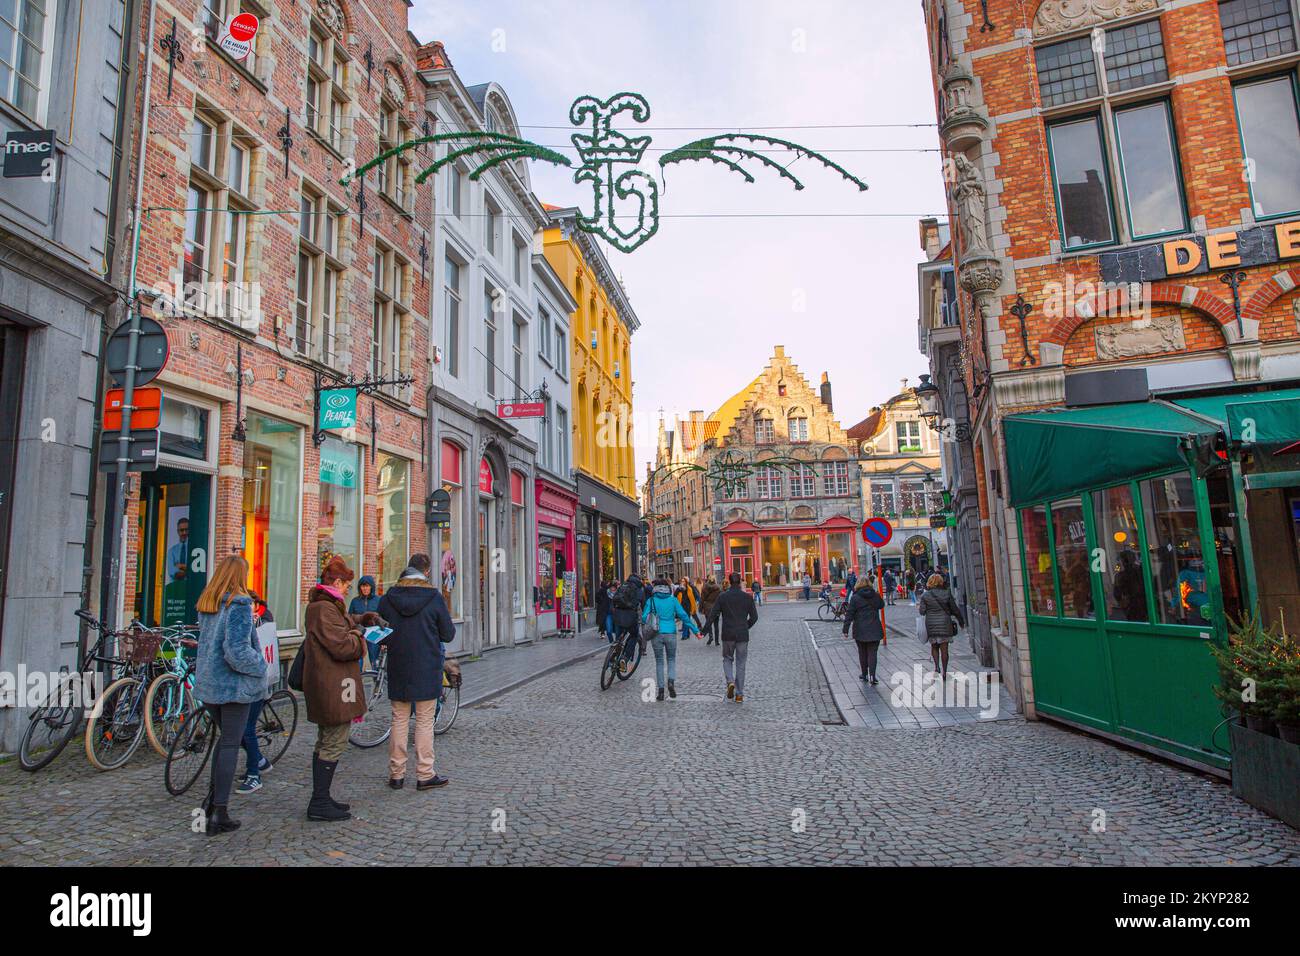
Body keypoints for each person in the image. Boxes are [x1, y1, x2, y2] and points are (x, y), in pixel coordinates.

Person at [192, 554, 267, 834]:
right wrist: (260, 664)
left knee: (224, 742)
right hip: (233, 686)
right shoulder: (239, 604)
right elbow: (236, 650)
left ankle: (212, 804)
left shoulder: (208, 603)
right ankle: (218, 811)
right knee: (230, 745)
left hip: (210, 685)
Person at [302, 556, 374, 822]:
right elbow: (342, 645)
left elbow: (340, 623)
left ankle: (322, 797)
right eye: (346, 585)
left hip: (332, 682)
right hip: (332, 684)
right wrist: (359, 636)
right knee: (334, 740)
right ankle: (319, 802)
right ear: (337, 582)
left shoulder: (327, 606)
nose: (348, 590)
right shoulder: (324, 608)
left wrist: (361, 618)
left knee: (327, 740)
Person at [379, 553, 454, 791]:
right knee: (424, 720)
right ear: (427, 572)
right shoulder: (433, 597)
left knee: (399, 719)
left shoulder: (389, 597)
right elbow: (448, 634)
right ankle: (424, 773)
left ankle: (396, 774)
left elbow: (378, 626)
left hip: (398, 664)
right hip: (426, 665)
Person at [235, 592, 276, 795]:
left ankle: (254, 773)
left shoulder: (263, 619)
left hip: (257, 680)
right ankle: (259, 760)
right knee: (240, 728)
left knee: (247, 728)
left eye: (252, 603)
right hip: (243, 680)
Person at [707, 572, 758, 703]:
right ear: (740, 582)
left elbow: (713, 614)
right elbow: (754, 617)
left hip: (728, 634)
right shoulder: (747, 598)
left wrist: (704, 629)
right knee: (741, 663)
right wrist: (745, 626)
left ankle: (730, 681)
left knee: (727, 659)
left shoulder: (723, 597)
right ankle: (739, 694)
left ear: (729, 582)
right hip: (742, 634)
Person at [643, 579, 698, 699]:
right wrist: (695, 631)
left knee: (659, 661)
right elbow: (683, 615)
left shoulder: (651, 600)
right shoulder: (673, 600)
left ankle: (661, 692)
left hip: (656, 633)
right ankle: (671, 682)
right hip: (671, 633)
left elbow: (643, 618)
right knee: (671, 659)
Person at [919, 572, 965, 679]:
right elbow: (954, 609)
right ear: (941, 582)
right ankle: (944, 671)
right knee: (944, 649)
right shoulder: (947, 593)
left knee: (934, 646)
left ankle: (936, 667)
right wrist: (961, 622)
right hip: (945, 623)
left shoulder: (925, 596)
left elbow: (922, 611)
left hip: (931, 624)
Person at [842, 577, 886, 685]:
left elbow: (850, 613)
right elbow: (881, 605)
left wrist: (845, 629)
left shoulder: (855, 597)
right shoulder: (875, 595)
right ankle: (872, 675)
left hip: (860, 629)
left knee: (862, 653)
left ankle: (864, 674)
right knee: (872, 653)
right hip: (874, 627)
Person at [349, 575, 383, 667]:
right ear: (360, 587)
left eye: (367, 586)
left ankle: (376, 679)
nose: (365, 588)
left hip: (374, 633)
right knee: (358, 660)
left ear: (371, 587)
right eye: (363, 586)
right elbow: (350, 618)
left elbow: (383, 618)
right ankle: (358, 678)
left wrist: (383, 638)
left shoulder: (378, 600)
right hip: (359, 633)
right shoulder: (354, 601)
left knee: (374, 659)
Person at [611, 572, 644, 663]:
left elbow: (614, 599)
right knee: (634, 635)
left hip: (618, 615)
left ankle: (614, 653)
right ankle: (625, 658)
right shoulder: (638, 588)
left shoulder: (623, 586)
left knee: (619, 638)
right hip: (630, 616)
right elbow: (642, 603)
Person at [699, 576, 722, 646]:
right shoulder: (718, 588)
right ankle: (717, 641)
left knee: (708, 623)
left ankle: (710, 637)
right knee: (716, 625)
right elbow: (720, 599)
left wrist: (700, 608)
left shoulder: (705, 588)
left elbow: (702, 599)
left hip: (707, 607)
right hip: (716, 607)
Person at [166, 517, 190, 582]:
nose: (184, 533)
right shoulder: (171, 551)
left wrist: (180, 566)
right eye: (182, 530)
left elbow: (195, 570)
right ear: (178, 531)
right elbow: (172, 572)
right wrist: (187, 569)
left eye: (186, 530)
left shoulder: (194, 550)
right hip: (175, 587)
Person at [676, 576, 698, 640]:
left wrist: (693, 604)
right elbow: (675, 595)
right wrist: (679, 589)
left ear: (686, 582)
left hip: (688, 607)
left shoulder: (690, 589)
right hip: (681, 607)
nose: (682, 582)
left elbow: (694, 597)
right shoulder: (679, 589)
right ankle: (687, 634)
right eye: (681, 581)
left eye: (683, 581)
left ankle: (684, 635)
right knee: (686, 621)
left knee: (686, 621)